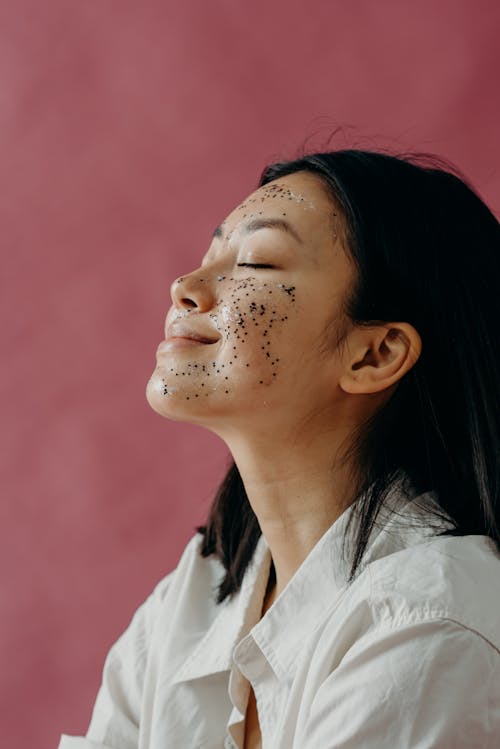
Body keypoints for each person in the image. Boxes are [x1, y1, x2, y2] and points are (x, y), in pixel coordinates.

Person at [58, 149, 500, 749]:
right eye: (210, 254)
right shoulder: (192, 599)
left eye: (258, 263)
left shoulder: (431, 618)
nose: (185, 287)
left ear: (376, 354)